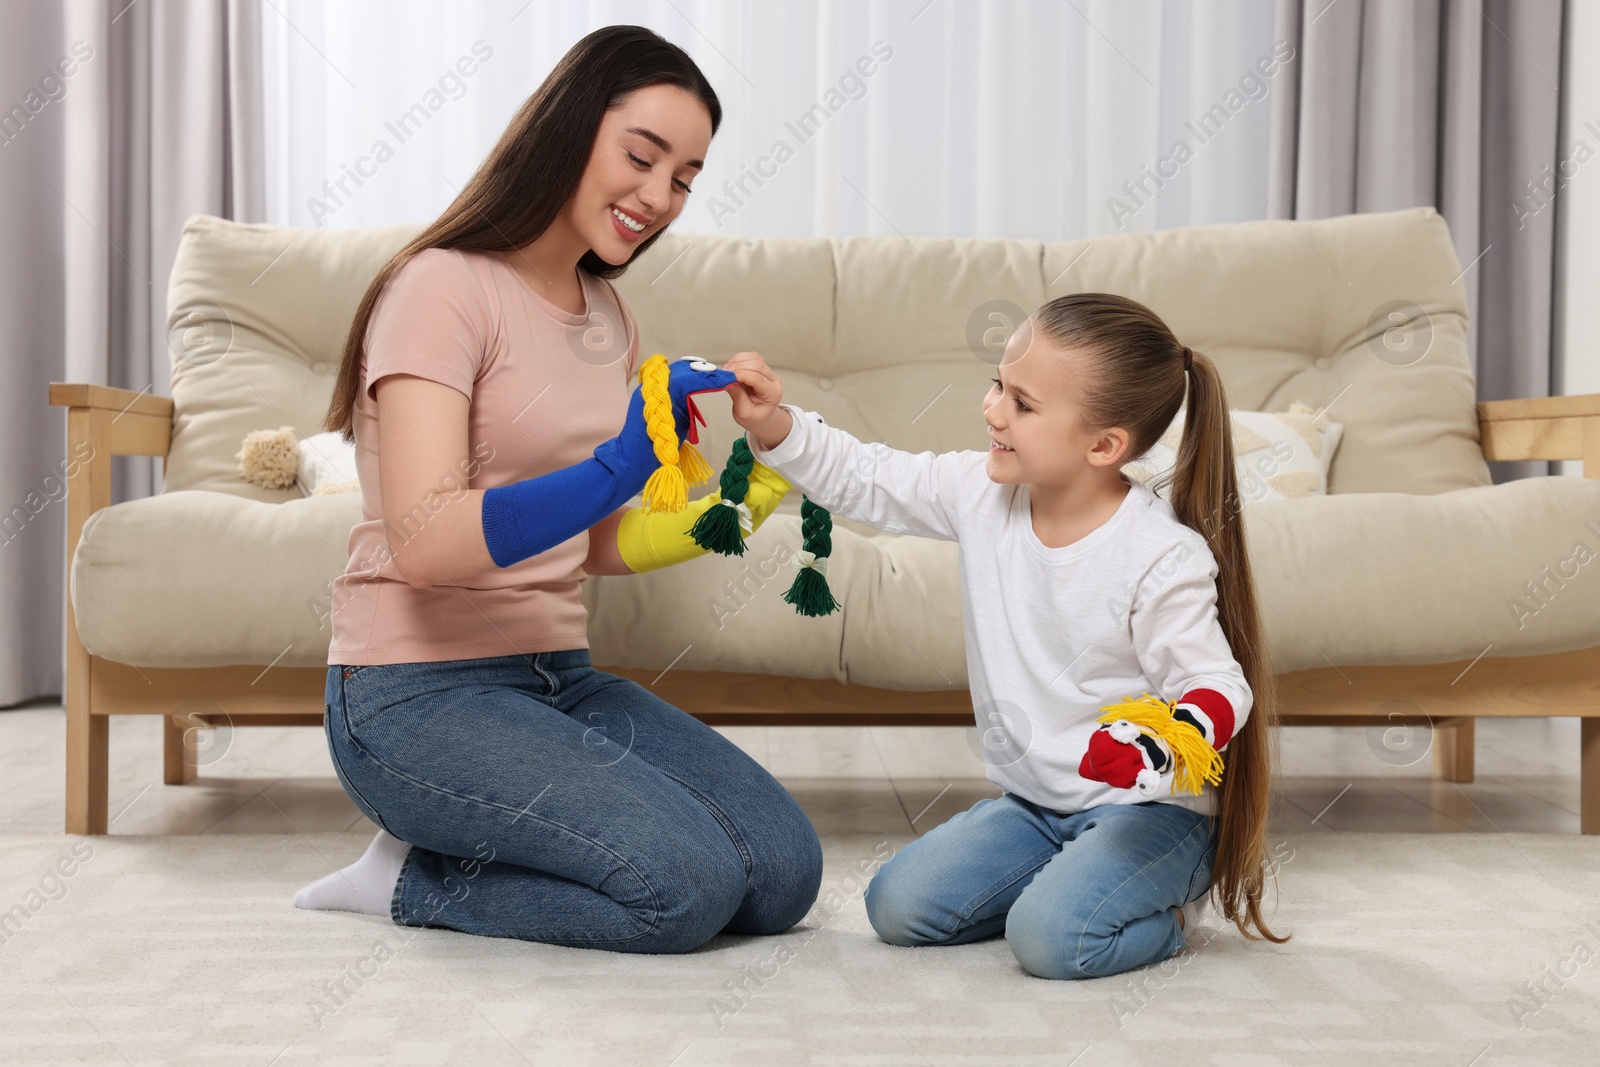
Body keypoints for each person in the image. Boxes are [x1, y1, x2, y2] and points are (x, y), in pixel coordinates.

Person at [294, 25, 823, 955]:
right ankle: (408, 876)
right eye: (642, 156)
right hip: (414, 698)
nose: (659, 197)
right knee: (684, 887)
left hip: (556, 679)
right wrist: (616, 465)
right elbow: (425, 540)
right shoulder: (440, 288)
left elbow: (594, 541)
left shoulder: (607, 312)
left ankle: (497, 840)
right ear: (572, 125)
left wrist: (724, 513)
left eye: (686, 178)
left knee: (781, 870)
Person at [722, 294, 1290, 979]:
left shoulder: (1158, 555)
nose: (992, 409)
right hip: (1035, 806)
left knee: (1053, 943)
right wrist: (776, 423)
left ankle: (1165, 914)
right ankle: (1068, 881)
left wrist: (1156, 745)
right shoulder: (980, 492)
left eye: (1022, 403)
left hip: (1153, 817)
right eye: (998, 384)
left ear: (1103, 445)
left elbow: (1218, 686)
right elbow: (867, 476)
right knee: (897, 908)